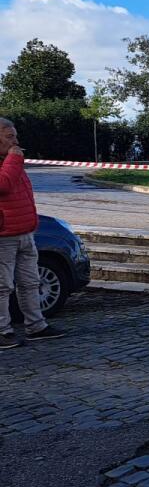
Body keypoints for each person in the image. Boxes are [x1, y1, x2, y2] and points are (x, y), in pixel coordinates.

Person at [0, 118, 65, 348]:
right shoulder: (12, 161)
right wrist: (14, 159)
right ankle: (3, 331)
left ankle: (36, 326)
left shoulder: (11, 161)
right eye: (9, 137)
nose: (16, 141)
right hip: (3, 235)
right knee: (2, 285)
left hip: (25, 232)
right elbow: (4, 185)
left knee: (30, 282)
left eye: (15, 136)